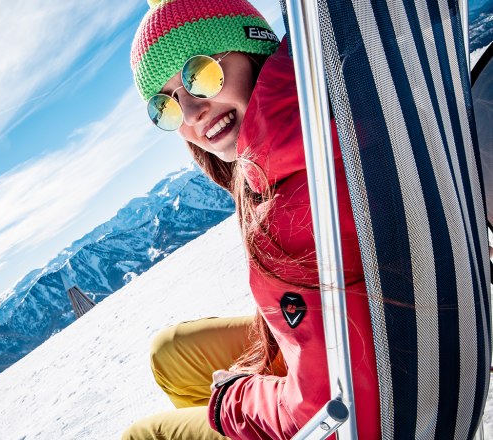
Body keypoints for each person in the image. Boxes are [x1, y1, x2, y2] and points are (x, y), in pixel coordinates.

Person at [123, 0, 380, 438]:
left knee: (144, 435)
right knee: (169, 353)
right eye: (165, 106)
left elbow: (332, 417)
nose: (191, 114)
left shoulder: (294, 192)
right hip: (361, 341)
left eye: (200, 74)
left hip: (374, 404)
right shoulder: (320, 114)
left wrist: (233, 400)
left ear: (253, 48)